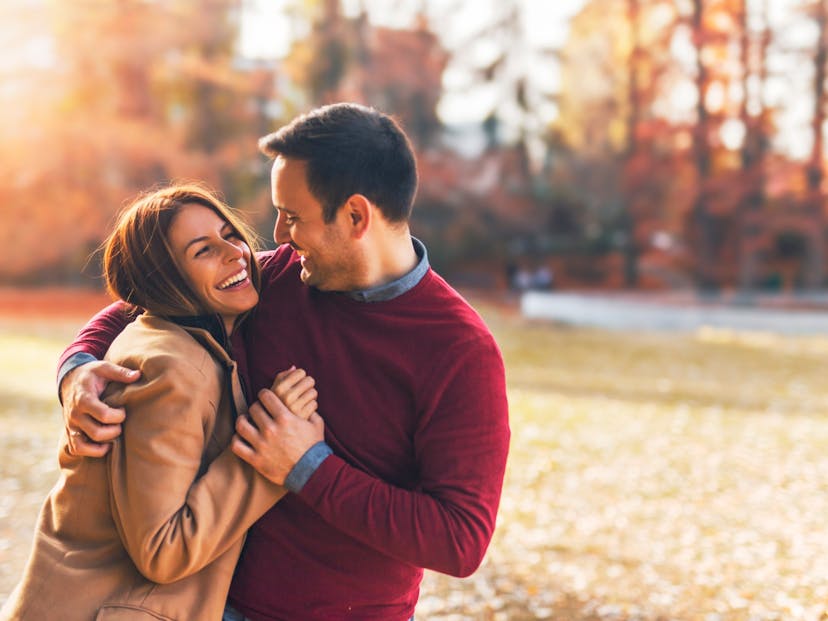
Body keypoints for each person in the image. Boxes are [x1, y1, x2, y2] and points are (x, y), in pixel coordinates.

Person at [57, 103, 511, 621]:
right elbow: (146, 300)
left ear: (356, 216)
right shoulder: (278, 279)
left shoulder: (458, 352)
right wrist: (77, 370)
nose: (277, 234)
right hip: (202, 603)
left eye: (293, 216)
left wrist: (307, 467)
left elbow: (459, 539)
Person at [1, 185, 319, 621]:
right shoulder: (171, 370)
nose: (235, 253)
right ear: (164, 281)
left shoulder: (179, 343)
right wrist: (268, 455)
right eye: (203, 250)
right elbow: (162, 551)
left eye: (229, 234)